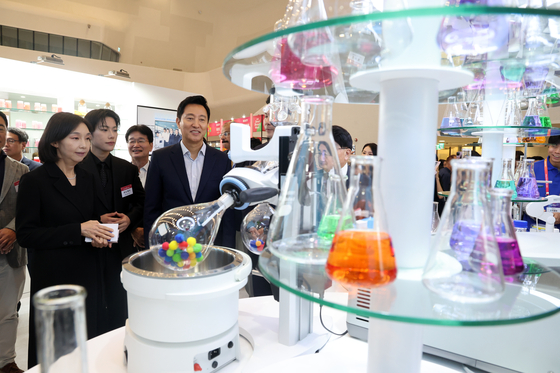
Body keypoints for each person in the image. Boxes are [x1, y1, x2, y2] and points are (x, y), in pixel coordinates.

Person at [16, 112, 114, 368]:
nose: (84, 145)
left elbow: (91, 220)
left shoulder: (87, 177)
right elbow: (26, 235)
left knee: (86, 341)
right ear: (55, 141)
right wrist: (78, 230)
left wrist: (98, 236)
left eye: (87, 138)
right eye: (75, 138)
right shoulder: (34, 180)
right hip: (54, 275)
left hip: (87, 272)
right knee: (56, 349)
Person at [144, 95, 235, 249]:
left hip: (209, 244)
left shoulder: (222, 160)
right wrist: (154, 247)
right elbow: (151, 208)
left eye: (201, 119)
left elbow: (226, 211)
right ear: (178, 122)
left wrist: (227, 248)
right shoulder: (161, 158)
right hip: (171, 244)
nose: (196, 124)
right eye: (190, 118)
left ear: (207, 124)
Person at [81, 109, 145, 260]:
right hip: (86, 247)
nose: (111, 135)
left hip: (121, 247)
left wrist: (129, 219)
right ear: (89, 133)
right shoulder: (76, 168)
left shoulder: (127, 169)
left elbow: (142, 202)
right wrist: (97, 220)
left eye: (115, 130)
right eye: (104, 130)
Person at [0, 112, 29, 373]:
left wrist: (12, 230)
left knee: (8, 311)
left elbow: (28, 209)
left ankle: (6, 361)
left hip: (10, 251)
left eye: (0, 128)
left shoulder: (21, 170)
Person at [525, 135, 560, 230]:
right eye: (554, 146)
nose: (557, 151)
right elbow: (521, 199)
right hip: (534, 228)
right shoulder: (533, 168)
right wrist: (540, 213)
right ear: (548, 146)